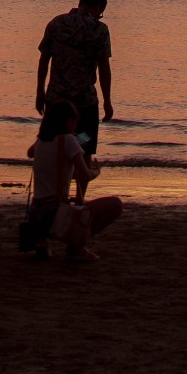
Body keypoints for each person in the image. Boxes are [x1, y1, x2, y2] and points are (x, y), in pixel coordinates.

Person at [26, 99, 122, 262]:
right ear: (69, 122)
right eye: (74, 122)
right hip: (55, 216)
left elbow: (31, 153)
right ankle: (77, 247)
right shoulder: (69, 141)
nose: (75, 127)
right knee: (116, 205)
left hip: (35, 215)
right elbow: (85, 175)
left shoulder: (41, 141)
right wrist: (96, 171)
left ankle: (43, 242)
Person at [35, 0, 114, 156]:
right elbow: (104, 68)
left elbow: (43, 60)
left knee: (52, 144)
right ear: (99, 8)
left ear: (81, 3)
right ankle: (80, 176)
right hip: (84, 102)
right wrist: (107, 101)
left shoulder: (56, 23)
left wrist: (40, 91)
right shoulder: (99, 30)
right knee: (85, 142)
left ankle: (57, 177)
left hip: (56, 99)